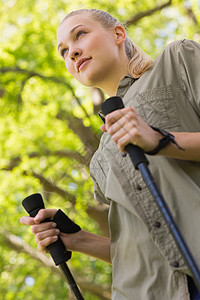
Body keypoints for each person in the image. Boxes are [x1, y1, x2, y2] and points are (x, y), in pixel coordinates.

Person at [20, 8, 200, 300]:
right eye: (63, 52)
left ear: (118, 34)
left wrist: (159, 140)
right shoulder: (101, 159)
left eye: (80, 35)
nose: (72, 53)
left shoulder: (177, 61)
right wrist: (76, 239)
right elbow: (138, 255)